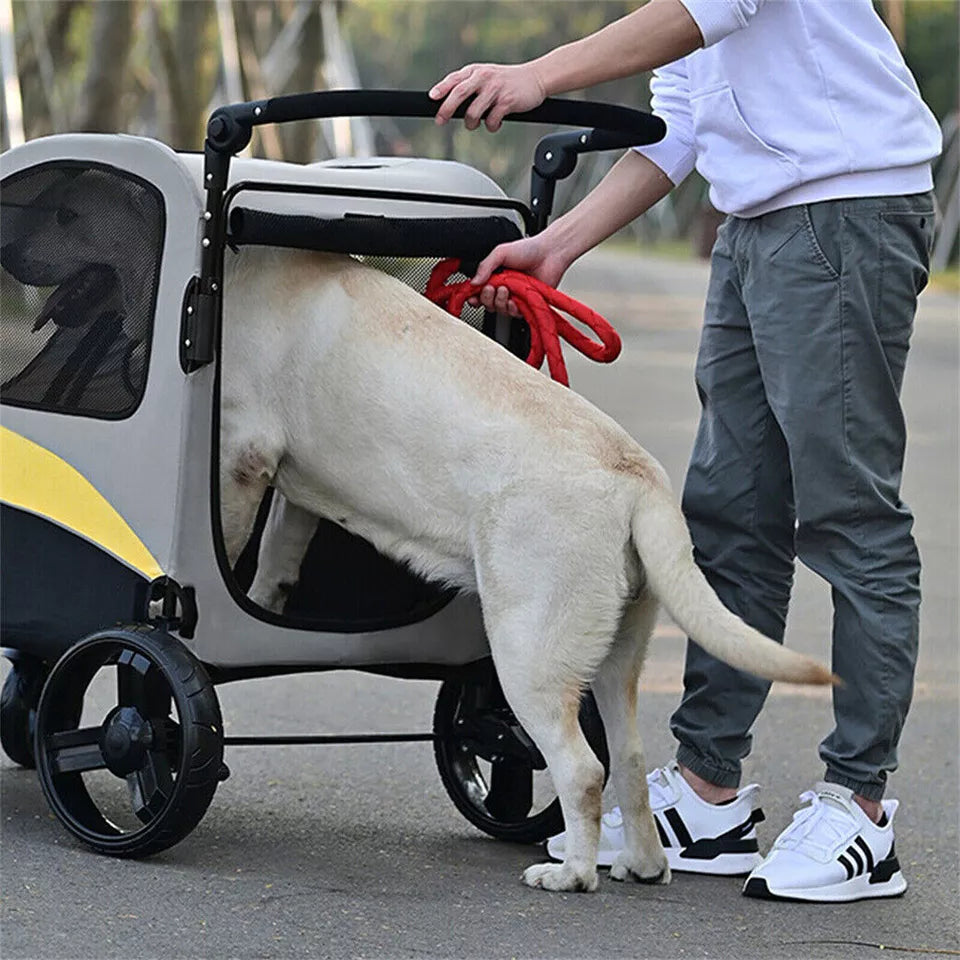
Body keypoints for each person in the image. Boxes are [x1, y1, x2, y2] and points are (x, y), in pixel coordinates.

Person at [430, 0, 941, 902]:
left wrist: (538, 75)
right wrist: (558, 245)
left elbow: (699, 15)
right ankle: (708, 792)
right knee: (729, 518)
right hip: (758, 229)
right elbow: (681, 127)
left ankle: (861, 809)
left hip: (844, 211)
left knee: (848, 513)